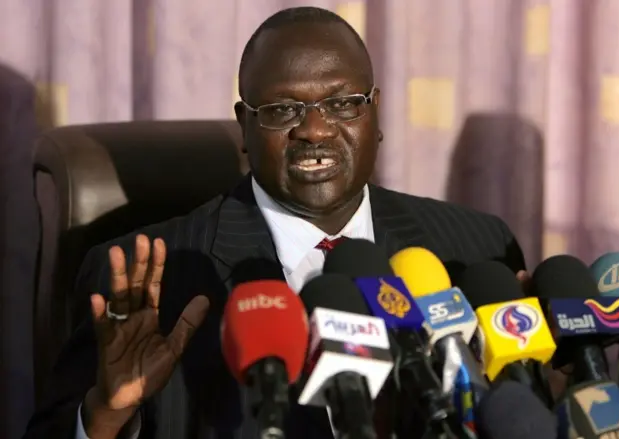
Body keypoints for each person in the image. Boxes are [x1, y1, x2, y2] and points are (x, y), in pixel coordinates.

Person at [23, 6, 528, 439]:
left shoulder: (478, 251)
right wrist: (108, 414)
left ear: (375, 115)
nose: (314, 129)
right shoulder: (152, 278)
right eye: (283, 109)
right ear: (244, 126)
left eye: (342, 103)